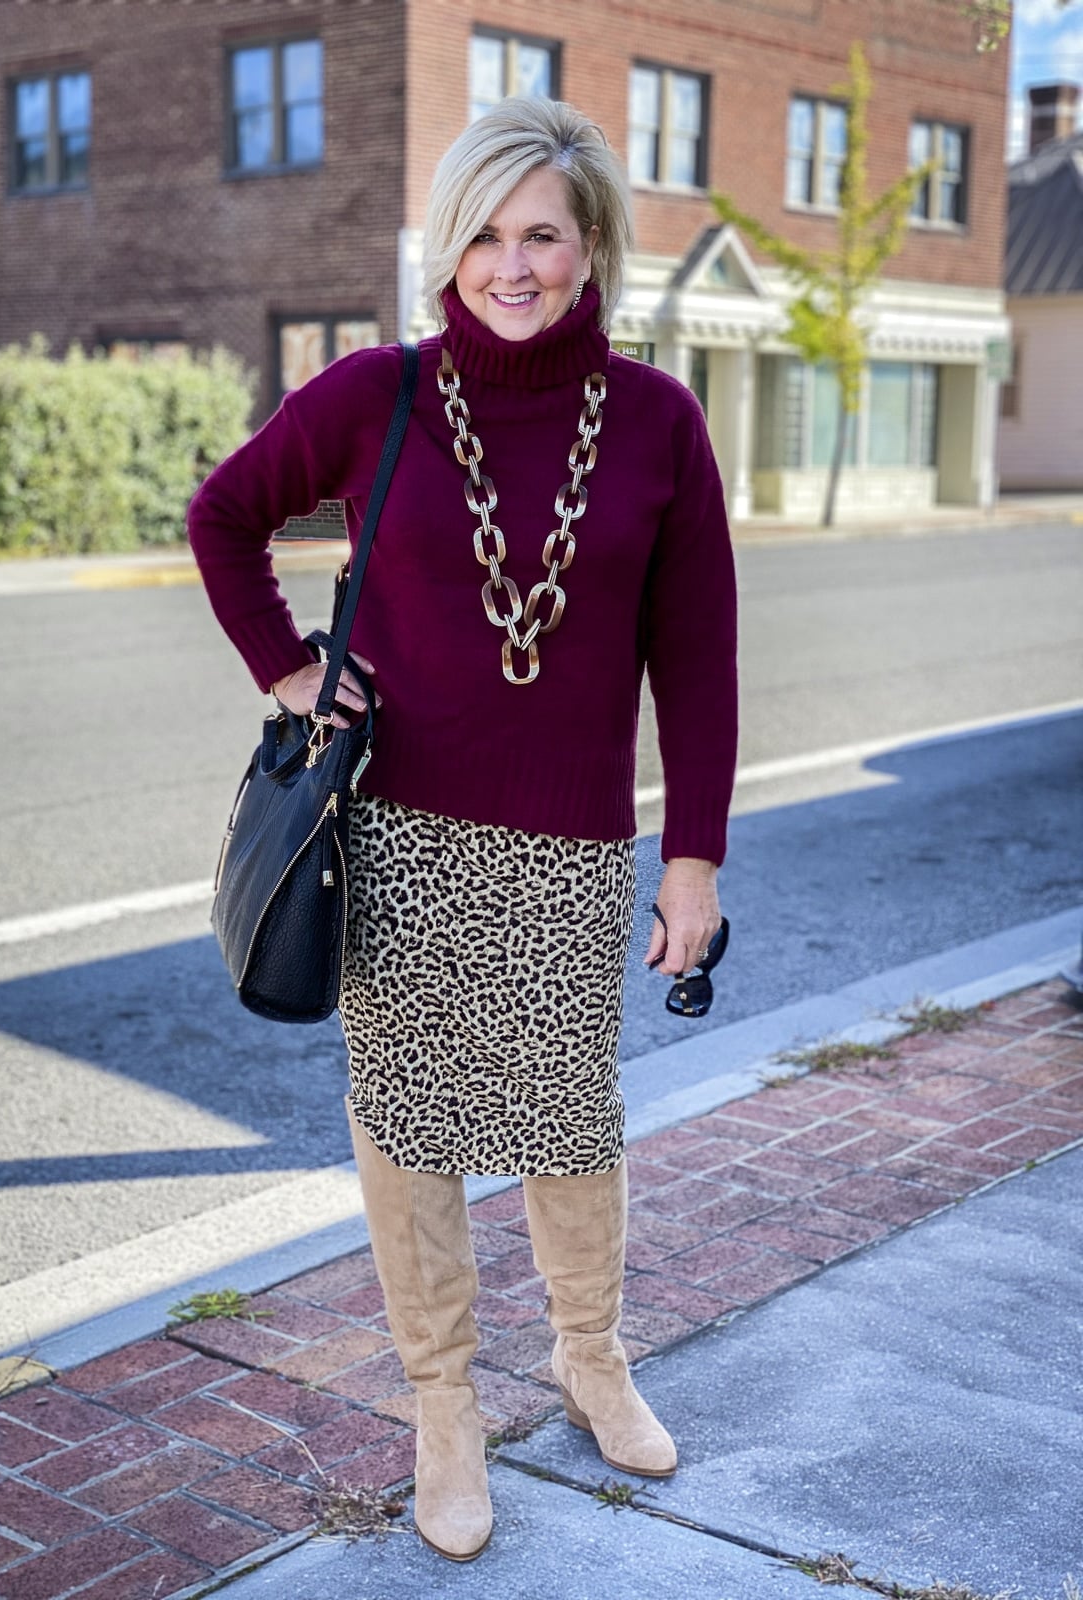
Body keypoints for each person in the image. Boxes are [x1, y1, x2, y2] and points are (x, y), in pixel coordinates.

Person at [188, 97, 737, 1562]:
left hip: (567, 844)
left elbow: (697, 656)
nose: (513, 263)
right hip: (403, 835)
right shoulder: (380, 394)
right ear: (452, 242)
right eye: (486, 233)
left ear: (591, 243)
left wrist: (691, 859)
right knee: (414, 1133)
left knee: (567, 1122)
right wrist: (291, 667)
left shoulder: (663, 424)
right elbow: (223, 515)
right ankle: (443, 1409)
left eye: (542, 233)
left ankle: (590, 1357)